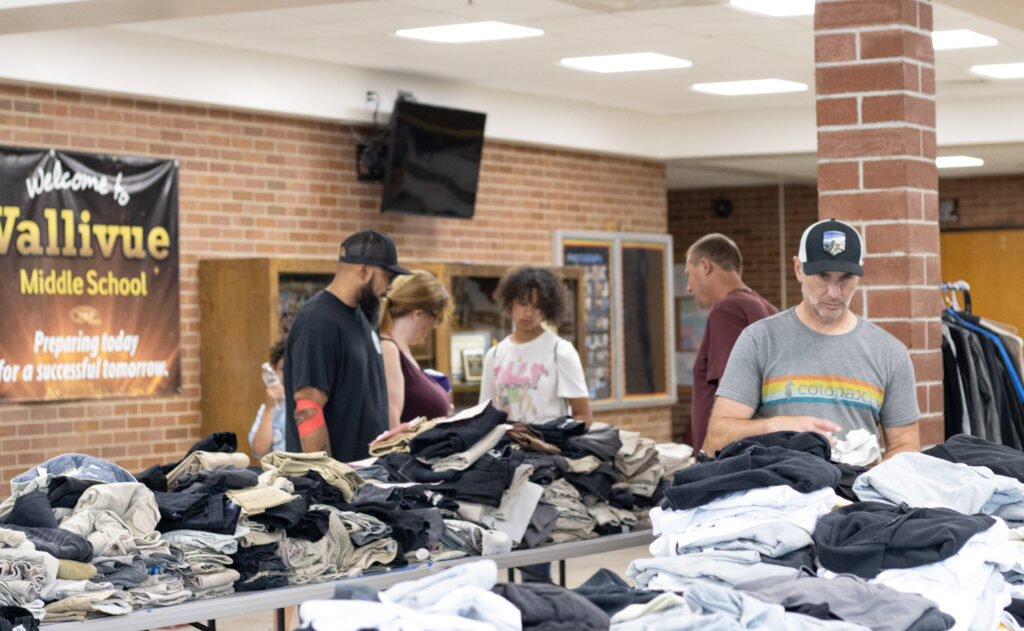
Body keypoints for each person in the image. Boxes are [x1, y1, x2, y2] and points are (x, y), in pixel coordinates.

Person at [704, 218, 921, 460]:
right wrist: (778, 427)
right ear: (798, 269)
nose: (834, 292)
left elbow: (906, 445)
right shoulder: (759, 341)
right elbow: (716, 440)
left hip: (856, 494)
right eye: (823, 276)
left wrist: (871, 483)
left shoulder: (889, 352)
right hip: (779, 492)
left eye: (845, 278)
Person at [282, 229, 411, 461]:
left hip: (367, 475)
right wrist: (329, 481)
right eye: (388, 277)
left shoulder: (362, 316)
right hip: (335, 486)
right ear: (363, 271)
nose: (390, 286)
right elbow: (308, 408)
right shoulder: (317, 322)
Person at [685, 233, 778, 453]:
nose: (688, 287)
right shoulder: (768, 309)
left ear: (705, 266)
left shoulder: (727, 310)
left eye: (688, 275)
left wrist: (706, 461)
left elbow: (730, 394)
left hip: (726, 457)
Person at [479, 266, 593, 426]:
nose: (529, 313)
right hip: (505, 447)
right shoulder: (495, 354)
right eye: (522, 303)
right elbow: (485, 414)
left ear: (547, 309)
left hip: (548, 447)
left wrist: (559, 446)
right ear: (511, 302)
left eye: (537, 306)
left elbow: (583, 415)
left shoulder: (561, 352)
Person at [380, 270, 454, 428]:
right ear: (418, 314)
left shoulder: (403, 351)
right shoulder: (388, 349)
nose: (434, 327)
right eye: (435, 319)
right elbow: (392, 425)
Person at [249, 339, 287, 458]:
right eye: (282, 369)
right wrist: (269, 408)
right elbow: (259, 450)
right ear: (275, 370)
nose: (287, 374)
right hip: (275, 473)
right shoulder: (267, 407)